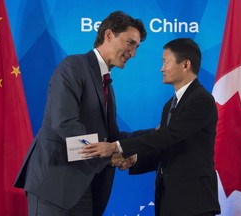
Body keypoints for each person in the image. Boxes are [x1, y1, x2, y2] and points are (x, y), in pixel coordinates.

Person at [14, 11, 147, 216]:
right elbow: (64, 123)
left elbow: (111, 136)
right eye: (130, 43)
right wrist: (108, 157)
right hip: (55, 186)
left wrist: (149, 138)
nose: (133, 53)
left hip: (84, 188)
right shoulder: (73, 66)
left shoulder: (106, 84)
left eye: (137, 47)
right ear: (109, 35)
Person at [80, 38, 221, 216]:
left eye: (165, 62)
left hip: (194, 201)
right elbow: (165, 148)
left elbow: (167, 136)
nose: (162, 68)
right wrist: (134, 159)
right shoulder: (170, 104)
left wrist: (116, 147)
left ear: (185, 64)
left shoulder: (201, 100)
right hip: (168, 200)